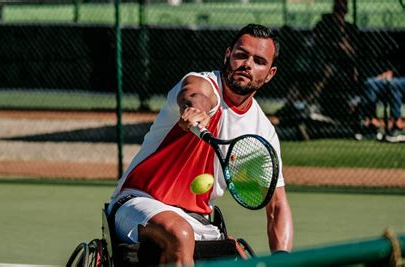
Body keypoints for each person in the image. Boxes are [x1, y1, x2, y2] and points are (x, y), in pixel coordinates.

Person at [108, 24, 294, 266]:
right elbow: (195, 93)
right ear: (228, 54)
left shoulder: (262, 131)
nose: (247, 64)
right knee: (180, 234)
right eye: (241, 54)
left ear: (270, 73)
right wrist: (196, 109)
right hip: (139, 202)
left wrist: (282, 259)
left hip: (201, 220)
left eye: (259, 60)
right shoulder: (203, 83)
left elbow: (277, 205)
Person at [311, 0, 363, 128]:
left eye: (342, 11)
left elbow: (354, 53)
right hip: (323, 62)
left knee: (337, 70)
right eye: (337, 11)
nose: (339, 14)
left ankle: (352, 105)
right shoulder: (324, 26)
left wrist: (343, 38)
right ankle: (310, 103)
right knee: (326, 69)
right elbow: (317, 43)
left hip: (345, 65)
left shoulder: (350, 28)